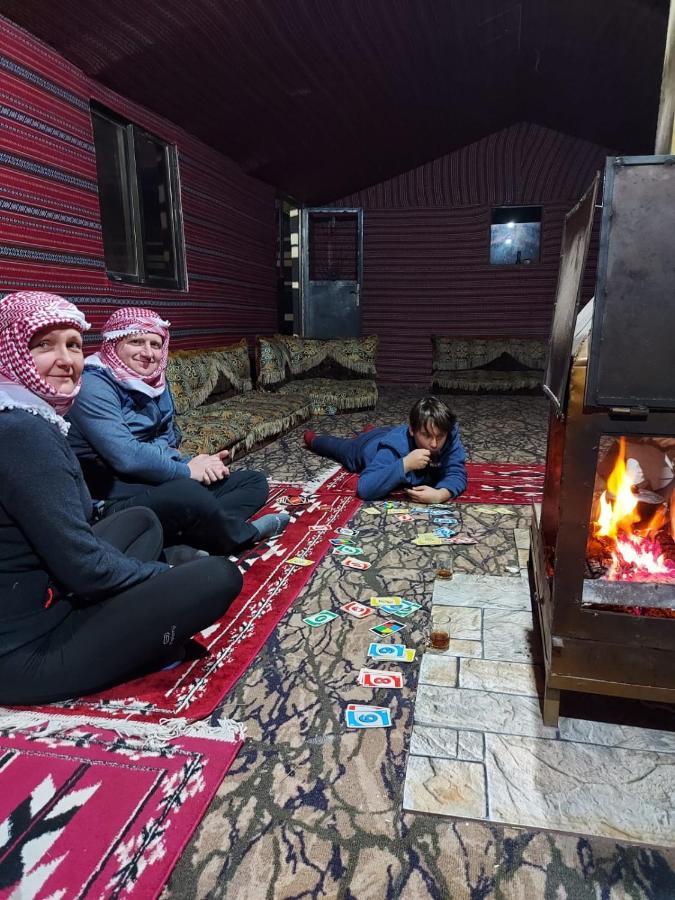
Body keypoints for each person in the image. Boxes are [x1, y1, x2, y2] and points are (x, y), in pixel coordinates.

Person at [0, 291, 243, 704]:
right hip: (26, 651)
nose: (66, 360)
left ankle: (148, 605)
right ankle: (152, 634)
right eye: (43, 345)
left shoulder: (29, 414)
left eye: (73, 345)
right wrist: (162, 580)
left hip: (51, 588)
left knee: (142, 521)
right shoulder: (23, 432)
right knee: (219, 578)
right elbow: (83, 567)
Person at [67, 307, 288, 557]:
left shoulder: (155, 379)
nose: (148, 353)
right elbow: (125, 456)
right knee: (188, 492)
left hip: (153, 477)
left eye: (155, 344)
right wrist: (186, 470)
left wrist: (191, 463)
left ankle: (187, 535)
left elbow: (169, 435)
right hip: (113, 496)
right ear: (114, 344)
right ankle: (239, 536)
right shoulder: (93, 385)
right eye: (136, 342)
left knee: (252, 481)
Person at [304, 396, 467, 502]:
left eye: (439, 437)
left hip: (387, 432)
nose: (433, 444)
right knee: (338, 447)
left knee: (380, 433)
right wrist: (405, 464)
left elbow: (456, 472)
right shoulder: (394, 446)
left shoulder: (449, 433)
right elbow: (365, 489)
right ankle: (314, 440)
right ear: (412, 430)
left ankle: (371, 430)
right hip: (365, 447)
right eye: (426, 435)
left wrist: (441, 494)